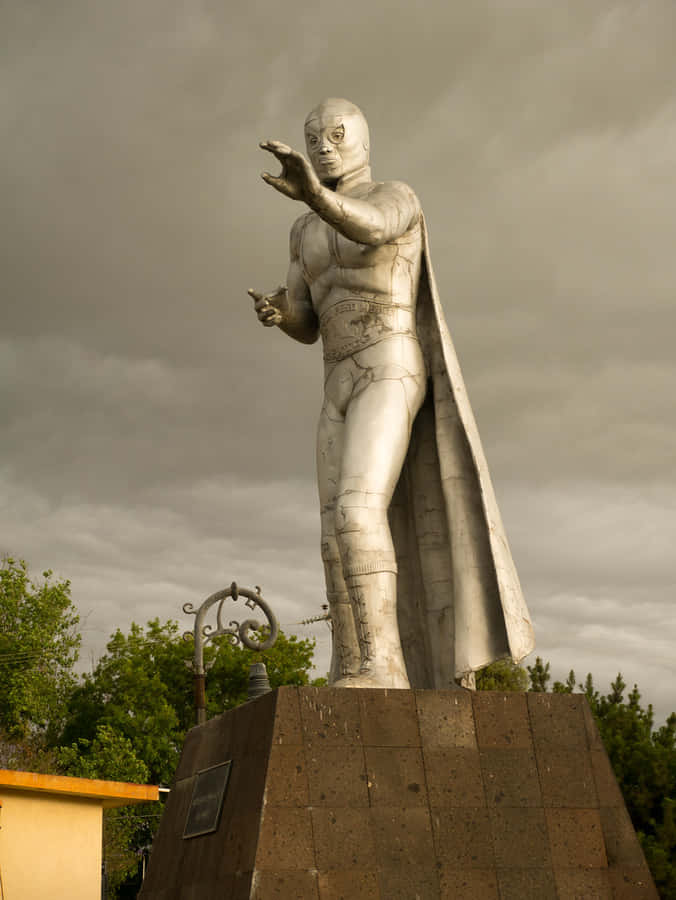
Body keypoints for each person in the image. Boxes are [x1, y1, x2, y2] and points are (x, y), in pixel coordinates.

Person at [248, 98, 534, 689]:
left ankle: (384, 666)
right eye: (313, 137)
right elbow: (308, 321)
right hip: (337, 377)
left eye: (334, 135)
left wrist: (315, 195)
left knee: (357, 510)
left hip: (389, 362)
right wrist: (281, 314)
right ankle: (353, 662)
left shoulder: (393, 196)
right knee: (332, 531)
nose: (322, 146)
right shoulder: (303, 229)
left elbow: (372, 228)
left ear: (361, 139)